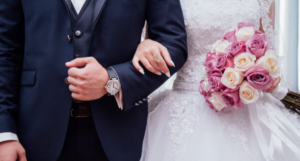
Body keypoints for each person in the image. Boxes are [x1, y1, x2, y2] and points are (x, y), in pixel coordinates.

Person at [0, 0, 187, 160]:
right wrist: (4, 132)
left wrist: (113, 80)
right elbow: (5, 51)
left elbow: (173, 45)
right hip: (35, 133)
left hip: (119, 133)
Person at [133, 0, 300, 160]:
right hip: (187, 110)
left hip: (250, 106)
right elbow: (157, 50)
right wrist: (144, 46)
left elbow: (267, 44)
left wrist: (265, 75)